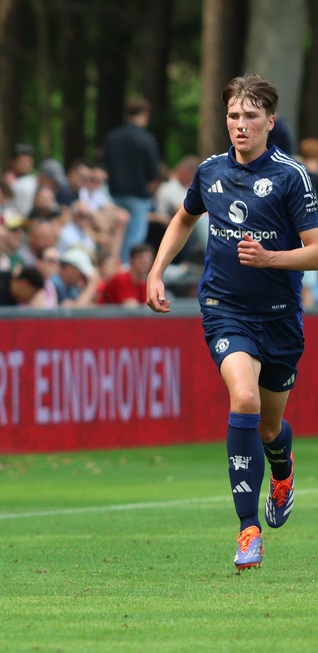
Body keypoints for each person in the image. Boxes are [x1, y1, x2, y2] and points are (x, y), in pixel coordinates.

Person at [146, 74, 315, 569]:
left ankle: (282, 473)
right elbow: (183, 218)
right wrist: (156, 272)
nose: (240, 126)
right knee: (241, 396)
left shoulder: (291, 176)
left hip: (280, 317)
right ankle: (247, 531)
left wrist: (271, 260)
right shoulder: (210, 171)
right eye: (233, 116)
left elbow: (316, 249)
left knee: (269, 427)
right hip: (224, 308)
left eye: (250, 117)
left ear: (270, 122)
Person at [103, 98, 159, 262]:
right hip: (137, 196)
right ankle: (126, 273)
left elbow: (105, 165)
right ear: (144, 115)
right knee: (134, 239)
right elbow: (152, 173)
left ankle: (111, 268)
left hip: (113, 195)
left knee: (113, 235)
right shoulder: (147, 139)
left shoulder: (112, 137)